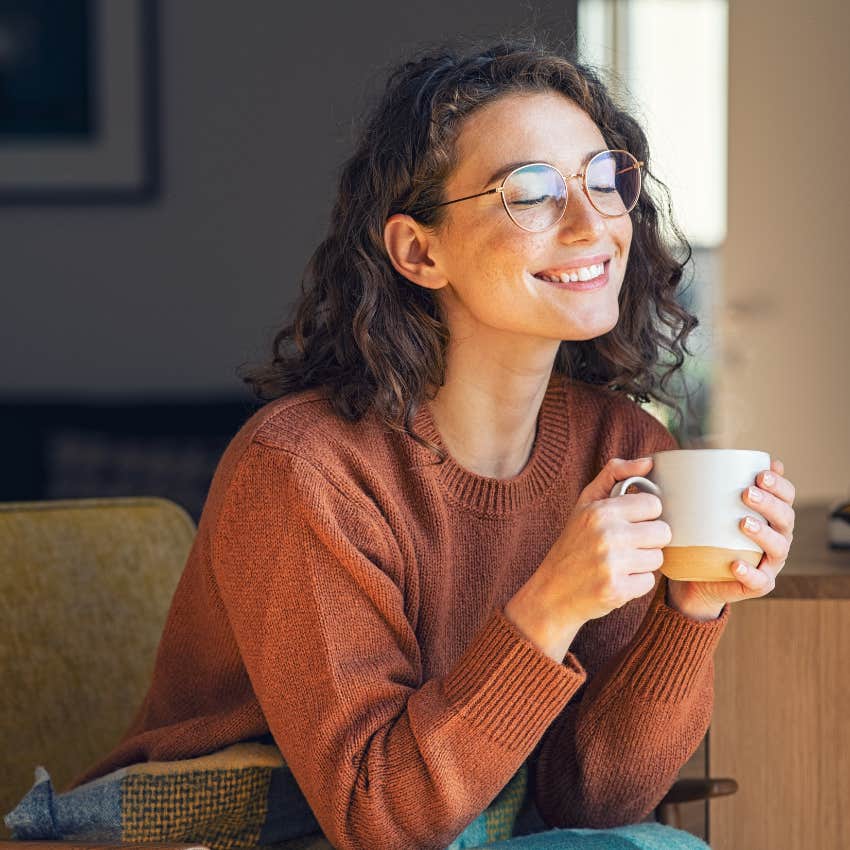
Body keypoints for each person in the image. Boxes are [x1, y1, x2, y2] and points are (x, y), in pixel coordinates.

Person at [69, 37, 796, 850]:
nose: (593, 223)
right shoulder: (305, 470)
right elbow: (374, 818)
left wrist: (689, 612)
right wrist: (549, 605)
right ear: (420, 251)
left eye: (604, 179)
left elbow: (589, 803)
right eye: (531, 193)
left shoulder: (622, 446)